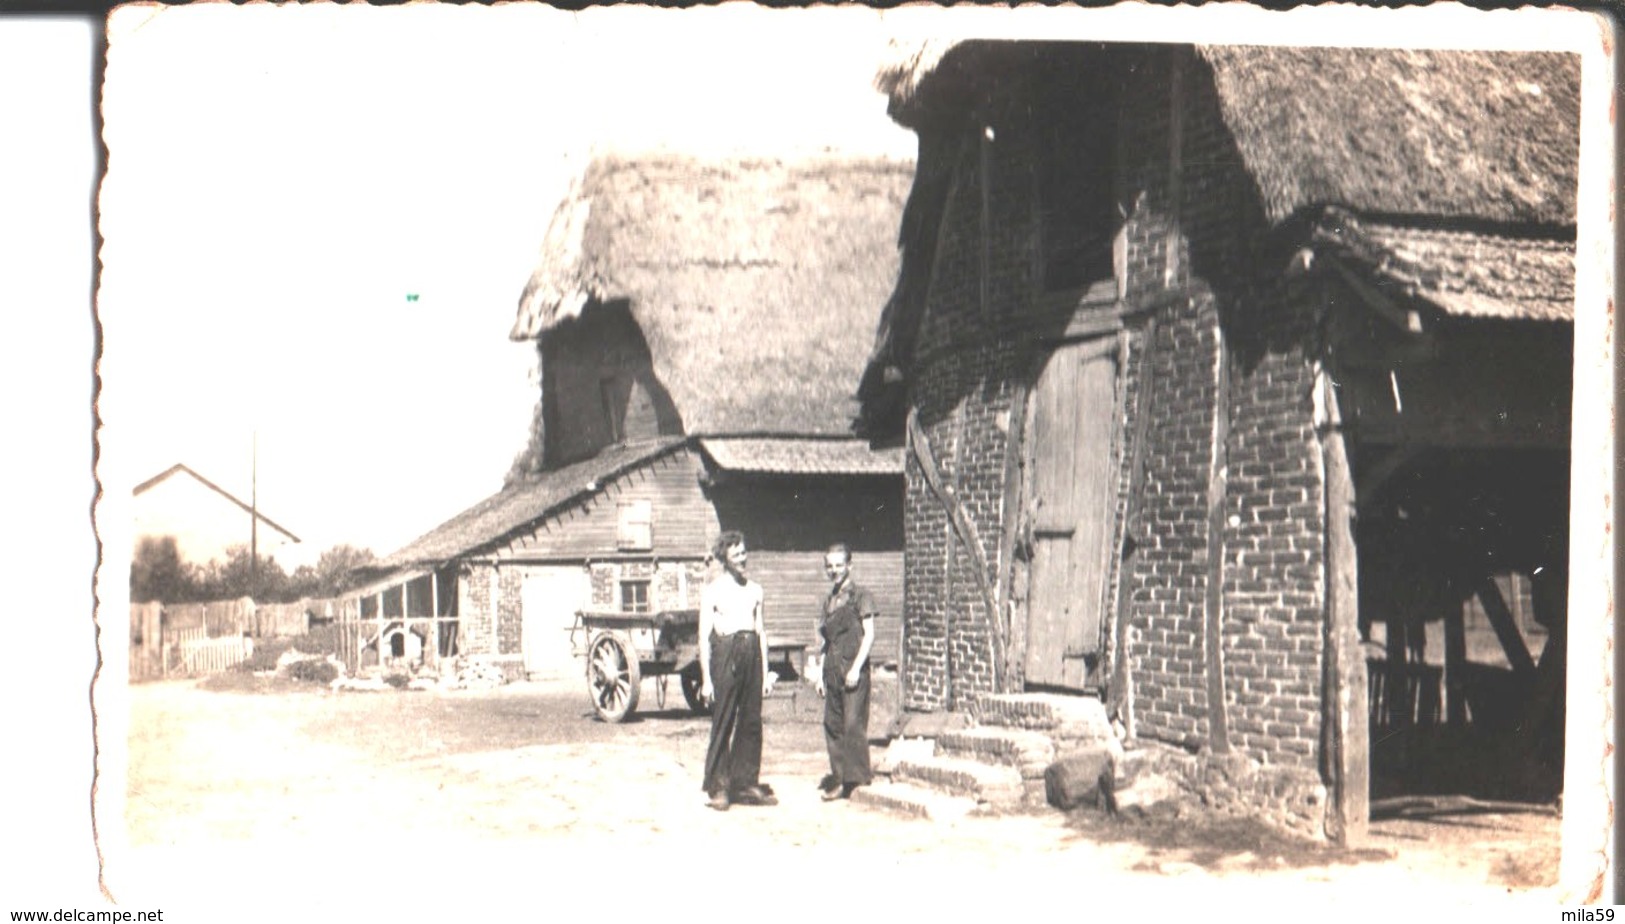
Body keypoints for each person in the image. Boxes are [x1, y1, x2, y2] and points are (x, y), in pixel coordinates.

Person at [698, 530, 777, 811]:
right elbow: (703, 637)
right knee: (724, 720)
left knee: (752, 721)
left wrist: (765, 673)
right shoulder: (713, 591)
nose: (742, 559)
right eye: (736, 555)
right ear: (724, 559)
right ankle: (719, 787)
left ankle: (745, 783)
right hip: (726, 655)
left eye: (744, 553)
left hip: (752, 654)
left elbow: (761, 632)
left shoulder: (756, 590)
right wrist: (707, 680)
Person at [814, 542, 876, 801]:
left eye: (839, 565)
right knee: (833, 723)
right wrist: (819, 674)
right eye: (829, 566)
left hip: (854, 669)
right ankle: (839, 778)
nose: (834, 570)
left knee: (852, 723)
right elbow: (825, 642)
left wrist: (856, 668)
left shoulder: (861, 596)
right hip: (832, 669)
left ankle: (858, 779)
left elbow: (870, 635)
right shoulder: (828, 601)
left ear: (849, 565)